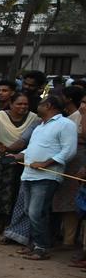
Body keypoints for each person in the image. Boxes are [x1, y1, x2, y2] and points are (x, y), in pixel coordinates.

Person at [7, 95, 78, 260]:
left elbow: (69, 151)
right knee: (29, 211)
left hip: (47, 175)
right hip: (29, 174)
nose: (36, 107)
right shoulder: (40, 126)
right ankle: (34, 244)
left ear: (49, 106)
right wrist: (17, 156)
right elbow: (32, 149)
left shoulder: (65, 124)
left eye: (40, 104)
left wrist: (46, 163)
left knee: (36, 212)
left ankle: (42, 247)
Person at [0, 93, 37, 232]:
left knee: (13, 191)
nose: (23, 107)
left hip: (21, 159)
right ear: (10, 104)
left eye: (25, 104)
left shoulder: (34, 118)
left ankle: (8, 223)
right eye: (19, 104)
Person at [51, 86, 85, 247]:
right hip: (67, 161)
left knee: (71, 201)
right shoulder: (68, 116)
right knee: (63, 199)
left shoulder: (79, 116)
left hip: (77, 161)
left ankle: (69, 239)